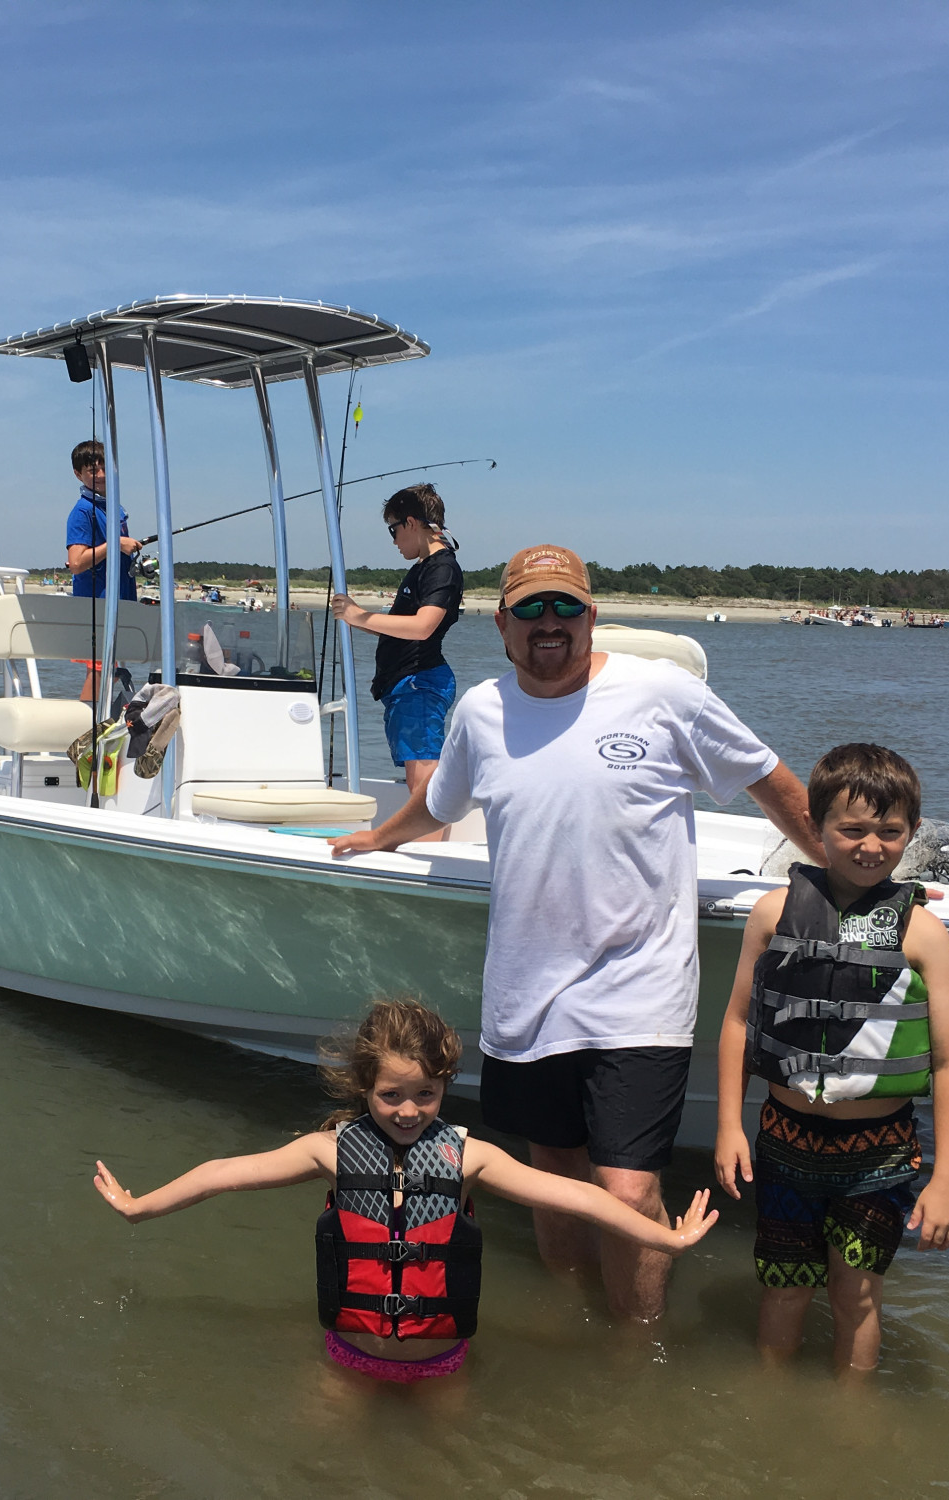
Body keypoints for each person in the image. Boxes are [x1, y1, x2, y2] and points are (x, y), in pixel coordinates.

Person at [331, 543, 821, 1322]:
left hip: (640, 990)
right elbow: (441, 805)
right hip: (526, 992)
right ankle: (577, 1328)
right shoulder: (480, 712)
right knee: (553, 1180)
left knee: (627, 1188)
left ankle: (638, 1345)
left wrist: (841, 875)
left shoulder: (663, 696)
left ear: (592, 616)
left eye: (565, 607)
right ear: (502, 625)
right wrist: (379, 837)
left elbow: (772, 779)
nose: (548, 623)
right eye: (530, 609)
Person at [93, 998, 718, 1383]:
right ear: (363, 1087)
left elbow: (578, 1197)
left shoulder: (470, 1157)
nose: (409, 1110)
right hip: (351, 1354)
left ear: (445, 1087)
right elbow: (223, 1174)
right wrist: (140, 1208)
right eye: (391, 1095)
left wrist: (664, 1237)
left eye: (427, 1094)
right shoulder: (331, 1152)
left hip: (440, 1363)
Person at [714, 743, 949, 1376]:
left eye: (890, 831)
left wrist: (948, 1179)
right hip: (783, 1139)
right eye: (851, 829)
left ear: (910, 833)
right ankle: (773, 1402)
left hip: (878, 1155)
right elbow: (739, 1021)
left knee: (856, 1294)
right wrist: (727, 1126)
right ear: (817, 829)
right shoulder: (773, 914)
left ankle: (850, 1419)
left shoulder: (923, 932)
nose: (870, 845)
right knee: (783, 1281)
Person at [331, 484, 463, 807]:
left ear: (411, 523)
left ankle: (431, 851)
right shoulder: (421, 569)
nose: (393, 540)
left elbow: (423, 626)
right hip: (405, 685)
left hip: (420, 682)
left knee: (424, 780)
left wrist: (360, 616)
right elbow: (401, 630)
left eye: (393, 529)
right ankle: (422, 842)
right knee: (414, 778)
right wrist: (356, 620)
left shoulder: (442, 567)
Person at [66, 438, 141, 601]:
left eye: (105, 468)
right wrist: (117, 544)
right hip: (98, 607)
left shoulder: (115, 510)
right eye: (93, 471)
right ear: (78, 474)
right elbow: (76, 564)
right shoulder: (82, 511)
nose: (101, 475)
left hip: (123, 601)